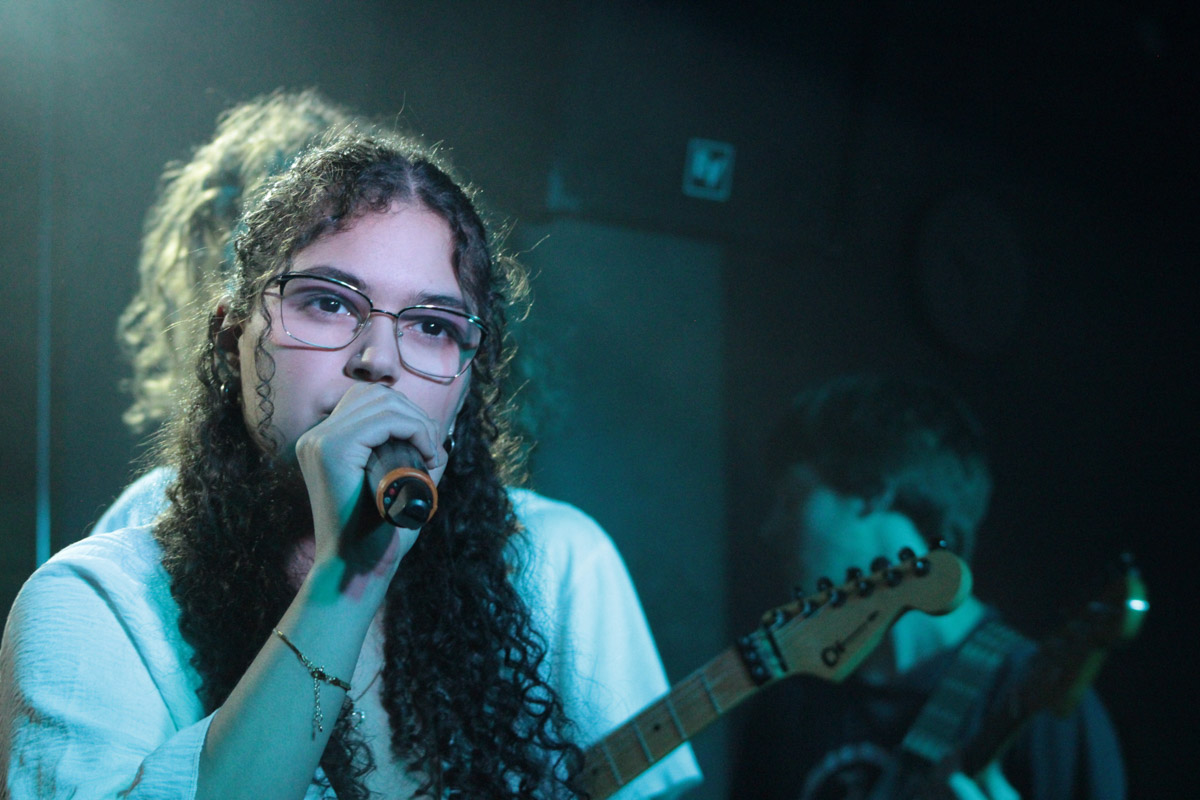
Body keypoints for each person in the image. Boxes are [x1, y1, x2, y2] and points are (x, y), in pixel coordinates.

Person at [1, 114, 700, 798]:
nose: (379, 360)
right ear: (233, 341)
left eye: (432, 326)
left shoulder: (518, 599)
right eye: (329, 303)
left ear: (464, 387)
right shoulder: (95, 605)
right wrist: (350, 578)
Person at [729, 374, 1125, 800]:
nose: (770, 529)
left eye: (792, 498)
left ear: (872, 492)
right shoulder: (789, 706)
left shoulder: (1038, 698)